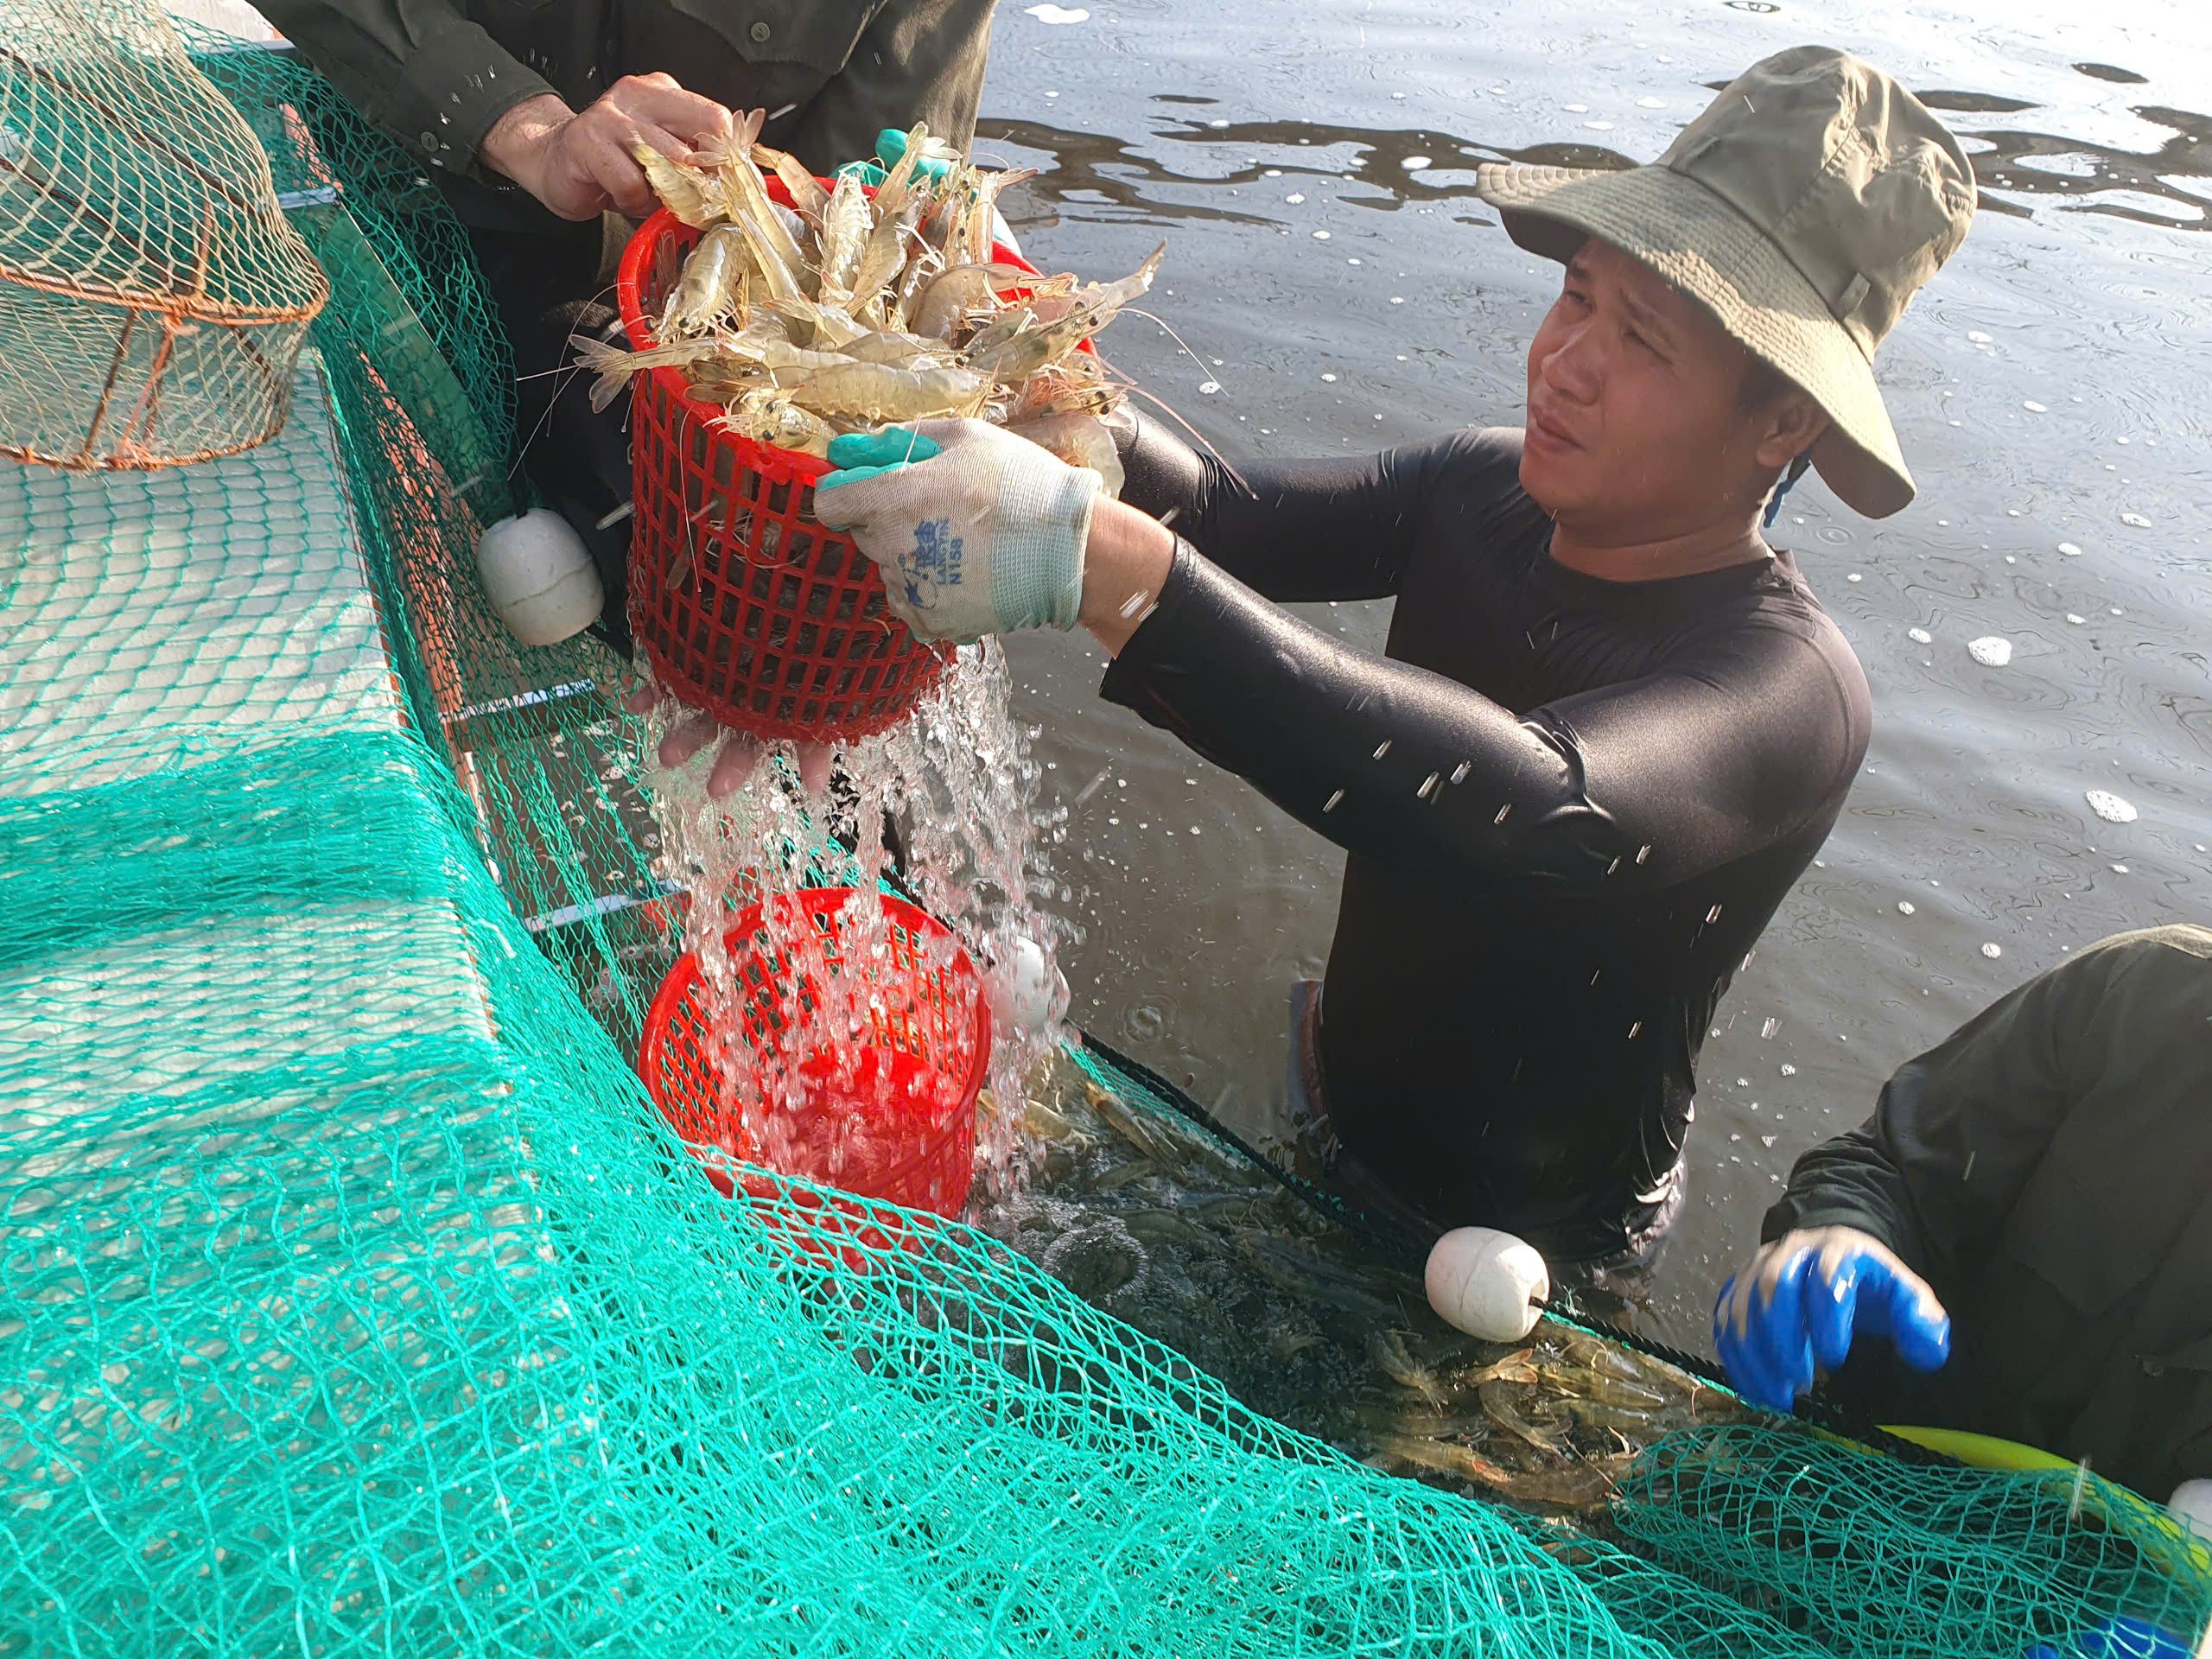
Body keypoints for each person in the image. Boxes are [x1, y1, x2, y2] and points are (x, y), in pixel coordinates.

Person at [811, 46, 1974, 1279]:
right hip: (1326, 1082)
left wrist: (1109, 569)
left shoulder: (1790, 687)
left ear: (1784, 420)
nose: (1566, 361)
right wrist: (1024, 342)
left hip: (1525, 1251)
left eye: (1644, 339)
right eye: (1577, 296)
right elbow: (1220, 507)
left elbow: (1540, 809)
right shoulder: (1481, 489)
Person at [264, 0, 1000, 642]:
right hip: (457, 199)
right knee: (646, 530)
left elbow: (871, 168)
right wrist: (529, 129)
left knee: (854, 571)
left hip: (731, 272)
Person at [1713, 925, 2212, 1514]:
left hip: (2111, 1586)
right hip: (1854, 1473)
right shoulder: (2141, 993)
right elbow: (1890, 1165)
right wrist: (1841, 1231)